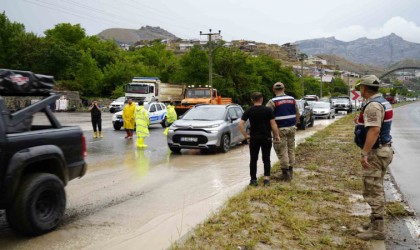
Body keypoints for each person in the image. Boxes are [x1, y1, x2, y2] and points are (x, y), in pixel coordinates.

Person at [354, 75, 393, 241]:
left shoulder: (373, 105)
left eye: (360, 88)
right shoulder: (383, 102)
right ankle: (374, 222)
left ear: (364, 88)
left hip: (376, 152)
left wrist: (364, 153)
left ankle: (378, 230)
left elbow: (374, 130)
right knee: (375, 187)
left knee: (372, 189)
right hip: (383, 149)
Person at [239, 92, 280, 186]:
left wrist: (246, 136)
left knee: (253, 159)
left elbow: (240, 124)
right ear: (262, 99)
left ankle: (253, 180)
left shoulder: (249, 110)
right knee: (266, 158)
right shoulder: (268, 110)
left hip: (254, 138)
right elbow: (273, 124)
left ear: (252, 100)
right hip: (266, 137)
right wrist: (277, 135)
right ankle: (266, 179)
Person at [266, 82, 300, 181]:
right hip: (291, 128)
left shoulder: (272, 101)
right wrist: (295, 124)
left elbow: (267, 116)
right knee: (291, 149)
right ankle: (291, 171)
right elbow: (297, 113)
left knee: (281, 150)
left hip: (280, 129)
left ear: (274, 89)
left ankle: (286, 174)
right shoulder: (292, 99)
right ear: (284, 88)